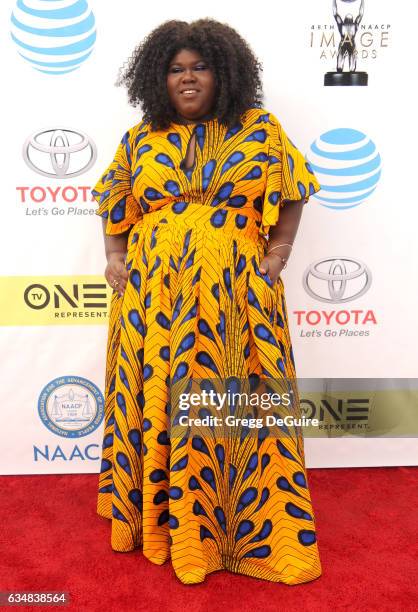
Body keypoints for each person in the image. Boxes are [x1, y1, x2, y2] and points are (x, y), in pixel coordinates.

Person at [91, 18, 322, 586]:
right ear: (158, 78)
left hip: (234, 295)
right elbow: (115, 199)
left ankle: (240, 531)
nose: (188, 79)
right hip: (152, 296)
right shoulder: (141, 137)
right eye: (176, 70)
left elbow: (291, 187)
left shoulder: (259, 129)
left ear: (225, 73)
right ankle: (163, 525)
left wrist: (279, 253)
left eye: (200, 67)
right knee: (160, 401)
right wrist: (114, 256)